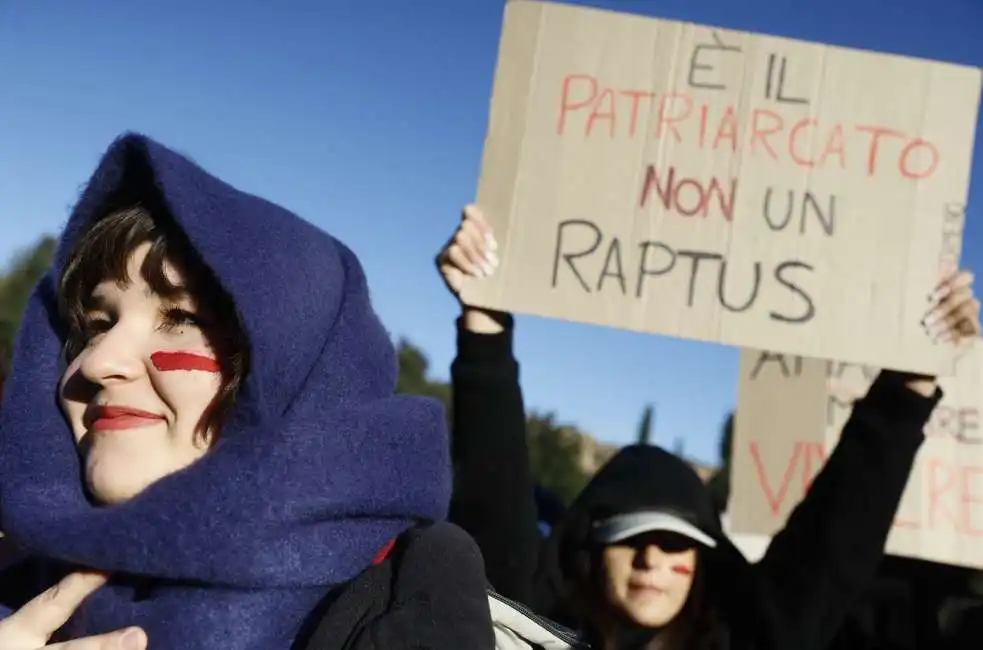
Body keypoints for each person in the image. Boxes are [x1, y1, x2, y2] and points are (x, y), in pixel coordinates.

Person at [0, 134, 495, 650]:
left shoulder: (403, 602)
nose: (98, 363)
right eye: (97, 324)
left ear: (294, 375)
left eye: (182, 317)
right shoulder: (16, 580)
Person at [439, 205, 981, 650]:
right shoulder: (525, 634)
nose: (653, 560)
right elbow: (494, 509)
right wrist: (484, 327)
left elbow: (832, 546)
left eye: (675, 543)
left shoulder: (754, 639)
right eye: (632, 538)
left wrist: (906, 388)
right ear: (592, 549)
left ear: (702, 561)